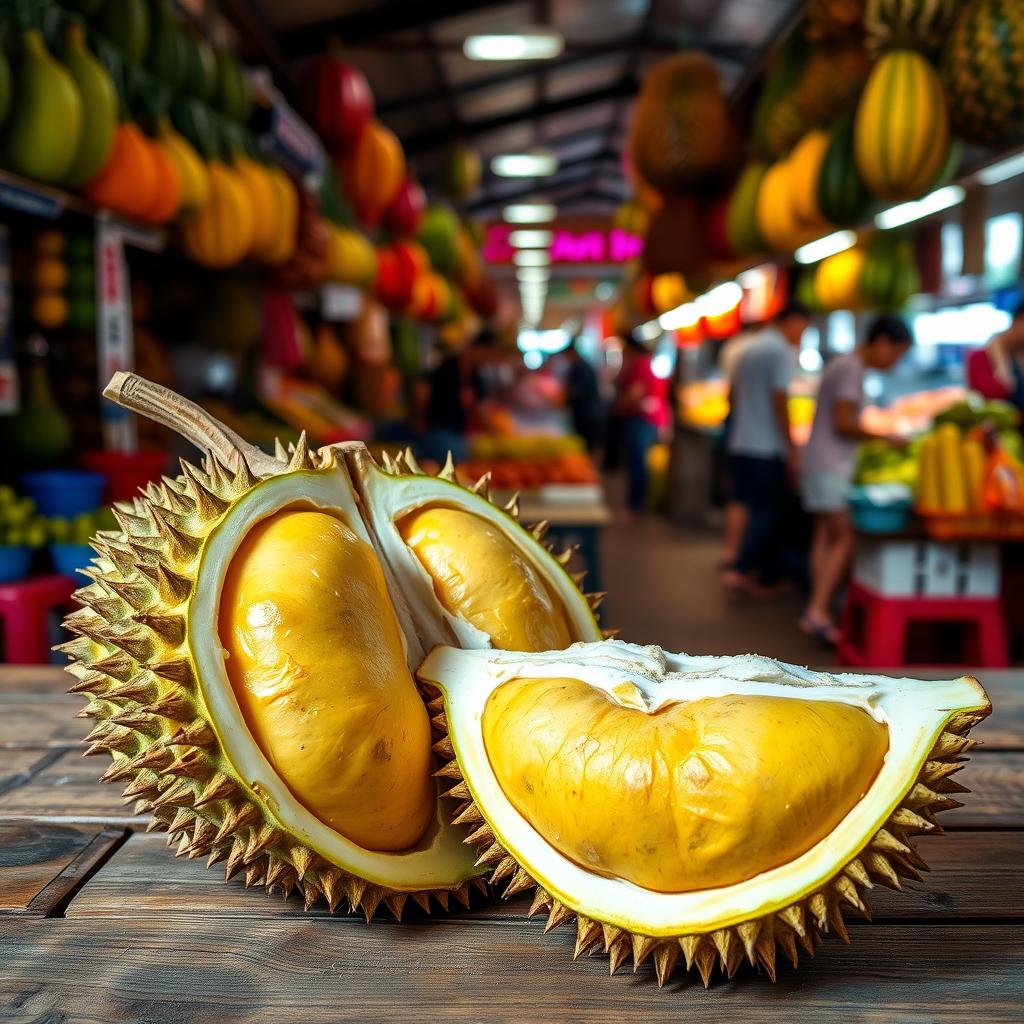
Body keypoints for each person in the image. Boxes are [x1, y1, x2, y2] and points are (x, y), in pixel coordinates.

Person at [800, 315, 913, 643]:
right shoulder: (851, 369)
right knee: (845, 535)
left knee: (824, 535)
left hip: (820, 463)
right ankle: (819, 609)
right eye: (898, 353)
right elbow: (843, 423)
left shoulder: (844, 365)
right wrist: (887, 437)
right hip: (830, 465)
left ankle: (816, 607)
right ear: (881, 342)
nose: (896, 361)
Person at [723, 302, 811, 596]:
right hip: (765, 446)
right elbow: (780, 401)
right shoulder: (779, 351)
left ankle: (738, 561)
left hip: (741, 440)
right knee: (768, 512)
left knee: (744, 501)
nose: (803, 334)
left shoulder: (747, 348)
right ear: (793, 320)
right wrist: (792, 447)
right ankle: (743, 569)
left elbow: (732, 395)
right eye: (804, 327)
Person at [613, 332, 669, 516]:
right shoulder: (647, 363)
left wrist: (619, 405)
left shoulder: (639, 365)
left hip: (641, 420)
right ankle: (637, 504)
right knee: (639, 461)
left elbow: (635, 393)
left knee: (638, 462)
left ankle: (635, 506)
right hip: (648, 419)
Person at [966, 304, 1024, 407]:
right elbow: (986, 397)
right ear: (1018, 320)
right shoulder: (979, 357)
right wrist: (1001, 364)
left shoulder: (1019, 353)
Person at [561, 338, 605, 453]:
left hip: (586, 413)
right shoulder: (584, 365)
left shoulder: (579, 367)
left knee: (587, 445)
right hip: (591, 411)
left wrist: (562, 399)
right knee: (589, 444)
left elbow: (577, 390)